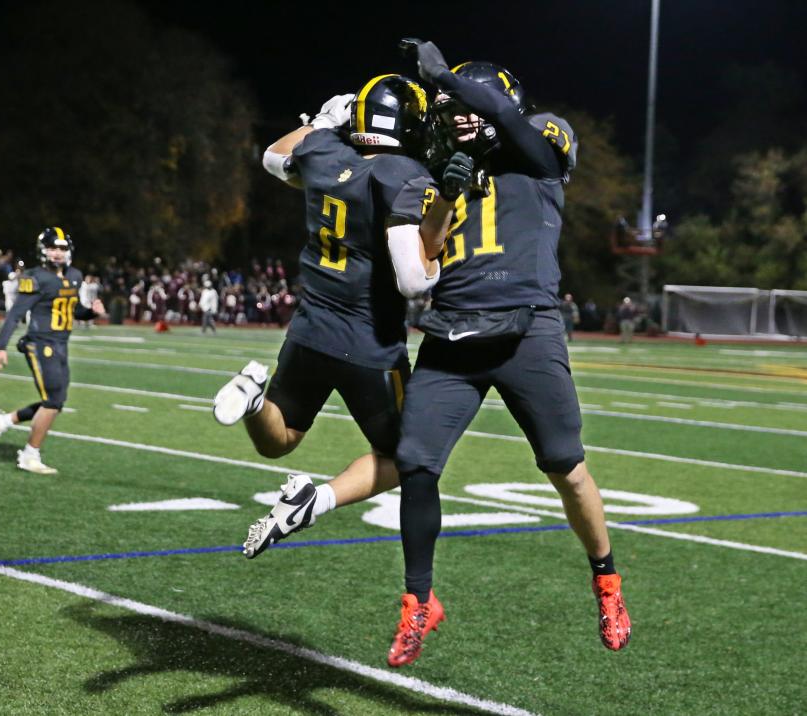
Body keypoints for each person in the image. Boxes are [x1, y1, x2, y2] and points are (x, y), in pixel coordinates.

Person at [372, 39, 629, 665]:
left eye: (467, 104)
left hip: (527, 326)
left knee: (565, 466)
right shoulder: (436, 172)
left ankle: (607, 580)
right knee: (415, 463)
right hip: (454, 328)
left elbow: (516, 129)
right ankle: (419, 602)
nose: (456, 115)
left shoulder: (541, 140)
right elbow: (425, 262)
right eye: (448, 107)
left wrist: (442, 74)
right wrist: (444, 198)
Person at [219, 78, 465, 559]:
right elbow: (413, 280)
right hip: (368, 344)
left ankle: (252, 402)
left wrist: (324, 121)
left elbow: (273, 157)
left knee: (279, 439)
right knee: (410, 457)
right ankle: (317, 501)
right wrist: (436, 258)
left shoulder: (327, 151)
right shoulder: (405, 174)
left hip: (309, 330)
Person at [0, 227, 105, 474]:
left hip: (61, 344)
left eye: (62, 248)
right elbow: (16, 314)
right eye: (52, 248)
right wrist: (1, 347)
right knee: (53, 401)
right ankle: (29, 455)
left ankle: (3, 421)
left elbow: (74, 310)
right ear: (43, 251)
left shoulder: (75, 275)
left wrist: (91, 311)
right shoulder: (35, 277)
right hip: (40, 344)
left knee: (57, 402)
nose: (57, 253)